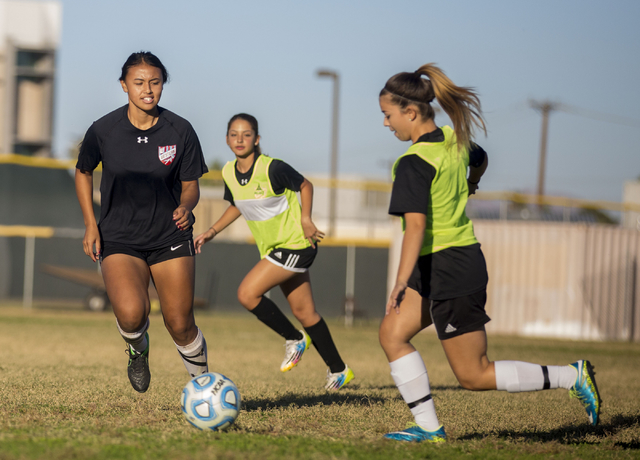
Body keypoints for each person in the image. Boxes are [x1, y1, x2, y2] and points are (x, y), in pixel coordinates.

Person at [378, 63, 601, 442]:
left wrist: (400, 279)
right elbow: (480, 159)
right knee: (392, 334)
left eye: (388, 115)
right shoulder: (454, 139)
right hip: (440, 264)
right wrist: (472, 183)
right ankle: (429, 430)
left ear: (411, 112)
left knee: (474, 375)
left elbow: (414, 227)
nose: (386, 124)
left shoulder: (412, 163)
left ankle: (572, 375)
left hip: (450, 268)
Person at [75, 51, 210, 393]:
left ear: (163, 84)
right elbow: (83, 171)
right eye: (138, 83)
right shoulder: (104, 130)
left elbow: (192, 184)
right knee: (132, 314)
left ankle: (204, 388)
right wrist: (91, 224)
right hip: (120, 237)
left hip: (170, 236)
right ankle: (138, 350)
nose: (147, 89)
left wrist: (186, 205)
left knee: (180, 323)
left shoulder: (180, 130)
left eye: (155, 82)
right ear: (124, 86)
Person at [194, 113, 354, 390]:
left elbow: (305, 185)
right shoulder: (230, 172)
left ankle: (294, 339)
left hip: (296, 244)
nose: (240, 139)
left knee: (247, 293)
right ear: (227, 139)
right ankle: (339, 370)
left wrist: (306, 219)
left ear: (257, 139)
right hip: (273, 249)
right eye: (234, 134)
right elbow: (237, 205)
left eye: (246, 134)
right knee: (305, 312)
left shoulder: (273, 168)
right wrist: (212, 231)